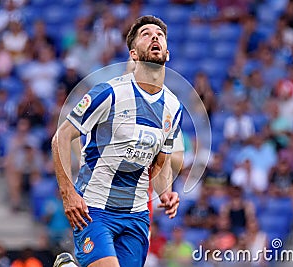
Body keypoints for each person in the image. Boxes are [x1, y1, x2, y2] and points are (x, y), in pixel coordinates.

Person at [52, 16, 183, 267]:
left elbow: (160, 162)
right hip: (94, 208)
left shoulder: (173, 107)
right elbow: (62, 137)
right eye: (146, 33)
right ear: (133, 53)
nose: (154, 37)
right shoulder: (108, 92)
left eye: (160, 35)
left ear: (167, 53)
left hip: (137, 216)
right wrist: (68, 193)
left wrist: (165, 192)